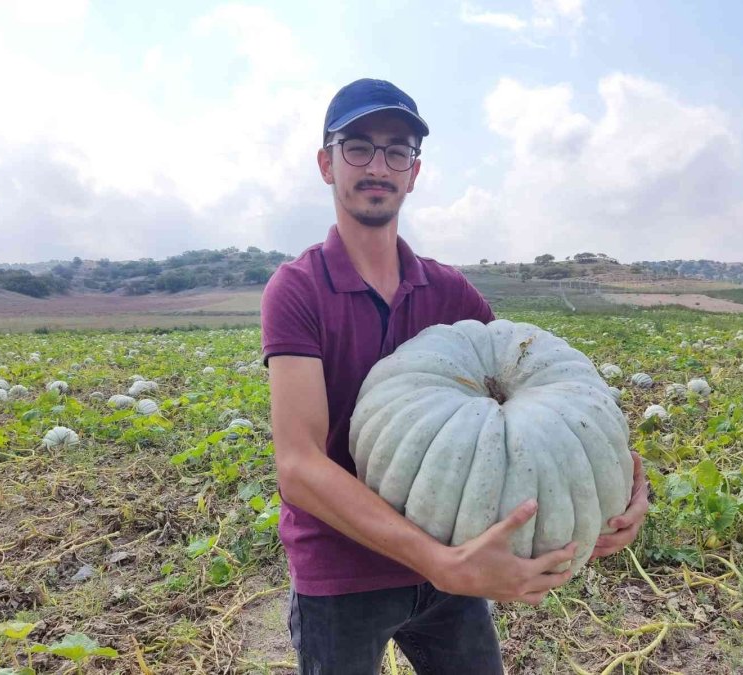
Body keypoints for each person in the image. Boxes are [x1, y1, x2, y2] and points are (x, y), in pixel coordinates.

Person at [260, 78, 649, 675]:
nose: (378, 165)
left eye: (397, 150)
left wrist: (611, 490)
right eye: (357, 146)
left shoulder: (449, 292)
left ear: (413, 173)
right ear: (326, 163)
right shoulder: (299, 289)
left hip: (450, 562)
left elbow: (528, 400)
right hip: (340, 573)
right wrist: (441, 562)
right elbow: (299, 466)